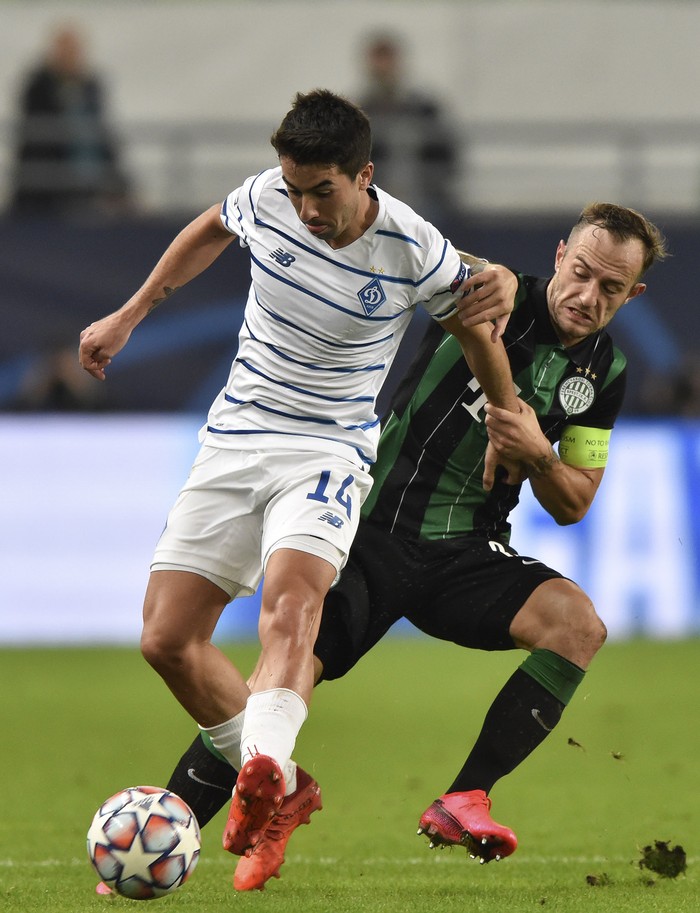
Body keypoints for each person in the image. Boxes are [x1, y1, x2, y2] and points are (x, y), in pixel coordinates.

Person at [158, 203, 668, 892]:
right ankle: (169, 825)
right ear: (557, 257)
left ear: (634, 293)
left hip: (467, 554)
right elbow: (429, 252)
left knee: (579, 625)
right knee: (288, 673)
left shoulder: (604, 371)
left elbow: (576, 499)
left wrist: (538, 454)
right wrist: (494, 275)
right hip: (372, 531)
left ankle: (464, 798)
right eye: (580, 273)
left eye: (611, 288)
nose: (588, 296)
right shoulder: (495, 294)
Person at [78, 89, 518, 881]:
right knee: (166, 640)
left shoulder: (412, 245)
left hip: (330, 450)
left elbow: (477, 322)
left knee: (291, 605)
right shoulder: (265, 197)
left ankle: (267, 767)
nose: (307, 208)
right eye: (295, 189)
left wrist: (505, 413)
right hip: (234, 439)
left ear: (364, 176)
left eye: (324, 191)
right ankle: (284, 783)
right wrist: (130, 313)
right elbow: (210, 228)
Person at [10, 24, 129, 217]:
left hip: (91, 181)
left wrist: (120, 185)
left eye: (74, 49)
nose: (70, 55)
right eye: (64, 49)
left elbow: (102, 136)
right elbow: (36, 138)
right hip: (49, 186)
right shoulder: (38, 86)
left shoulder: (91, 87)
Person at [356, 32, 459, 221]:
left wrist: (433, 183)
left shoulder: (425, 108)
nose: (383, 69)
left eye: (387, 61)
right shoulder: (359, 112)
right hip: (374, 197)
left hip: (425, 198)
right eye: (379, 62)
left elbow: (447, 153)